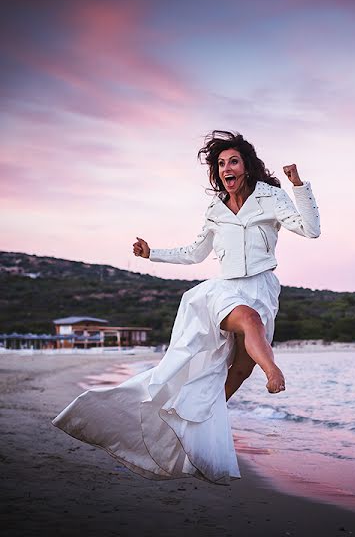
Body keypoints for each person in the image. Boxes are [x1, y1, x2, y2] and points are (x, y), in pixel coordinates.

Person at [52, 130, 321, 484]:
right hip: (224, 291)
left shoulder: (270, 197)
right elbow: (195, 253)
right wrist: (153, 254)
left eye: (233, 161)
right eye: (221, 163)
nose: (227, 167)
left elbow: (311, 230)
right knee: (249, 321)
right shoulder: (214, 209)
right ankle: (275, 371)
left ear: (247, 167)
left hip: (262, 288)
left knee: (239, 371)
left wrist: (298, 185)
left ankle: (192, 435)